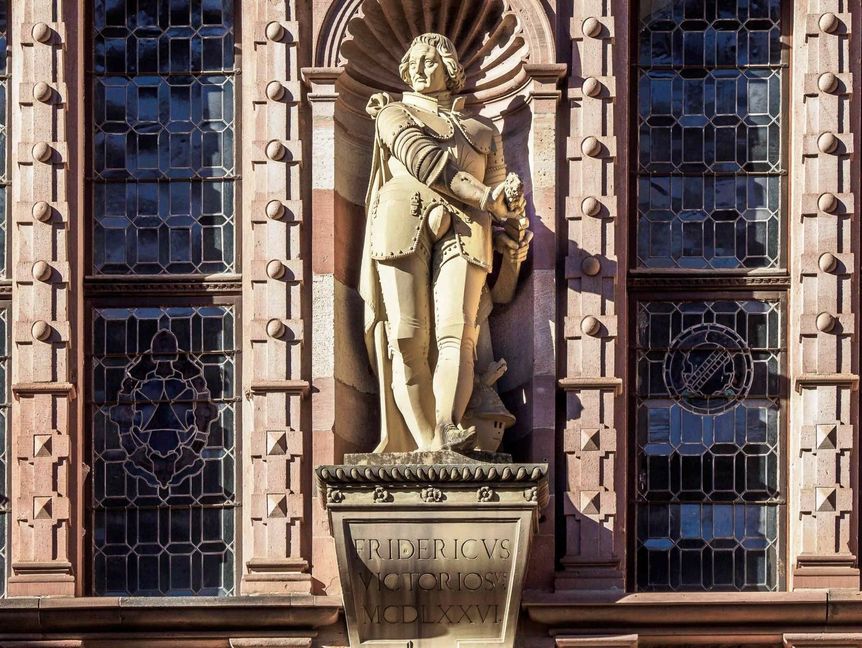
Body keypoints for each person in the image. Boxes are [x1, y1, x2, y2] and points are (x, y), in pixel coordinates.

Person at [359, 32, 527, 453]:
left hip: (468, 224)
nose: (419, 69)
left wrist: (510, 210)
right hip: (402, 215)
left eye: (430, 61)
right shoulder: (392, 114)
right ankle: (426, 445)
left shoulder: (483, 131)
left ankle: (449, 428)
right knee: (406, 337)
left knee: (459, 334)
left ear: (450, 70)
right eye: (413, 61)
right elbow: (425, 160)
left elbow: (499, 200)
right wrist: (490, 198)